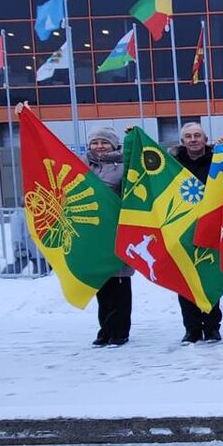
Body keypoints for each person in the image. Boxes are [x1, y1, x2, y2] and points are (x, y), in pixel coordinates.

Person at [172, 122, 222, 343]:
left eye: (197, 135)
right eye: (188, 136)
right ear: (182, 141)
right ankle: (191, 328)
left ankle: (212, 327)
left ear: (205, 139)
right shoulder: (173, 164)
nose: (193, 140)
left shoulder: (217, 160)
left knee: (209, 277)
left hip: (210, 225)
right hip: (181, 228)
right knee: (184, 279)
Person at [85, 125, 133, 347]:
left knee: (119, 284)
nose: (99, 146)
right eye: (95, 142)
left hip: (117, 231)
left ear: (114, 145)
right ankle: (105, 329)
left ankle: (120, 331)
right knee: (102, 286)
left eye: (104, 142)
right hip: (94, 234)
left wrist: (132, 137)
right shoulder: (82, 166)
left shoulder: (125, 165)